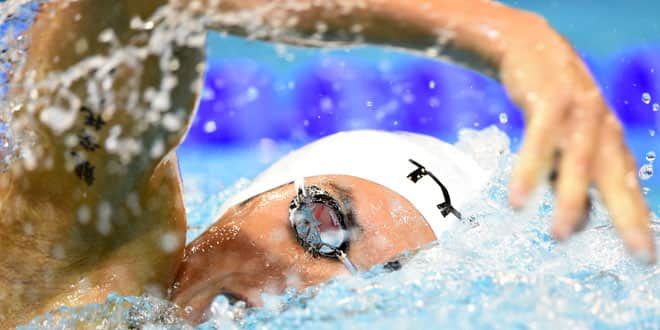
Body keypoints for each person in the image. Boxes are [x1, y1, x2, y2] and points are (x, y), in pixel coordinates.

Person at [0, 0, 654, 327]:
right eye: (321, 222)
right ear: (240, 205)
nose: (306, 282)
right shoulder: (86, 249)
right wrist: (505, 35)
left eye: (366, 283)